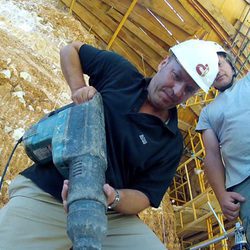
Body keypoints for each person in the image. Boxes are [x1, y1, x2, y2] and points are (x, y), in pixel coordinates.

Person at [0, 39, 221, 250]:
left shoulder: (171, 143)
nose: (177, 91)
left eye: (189, 89)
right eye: (176, 76)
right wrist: (78, 88)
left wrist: (111, 196)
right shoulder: (121, 74)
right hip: (51, 191)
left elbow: (144, 195)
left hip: (109, 215)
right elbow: (71, 50)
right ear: (164, 63)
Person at [196, 50, 250, 242]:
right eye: (210, 70)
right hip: (244, 182)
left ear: (231, 65)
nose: (217, 71)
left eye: (219, 64)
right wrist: (221, 195)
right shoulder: (207, 113)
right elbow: (211, 156)